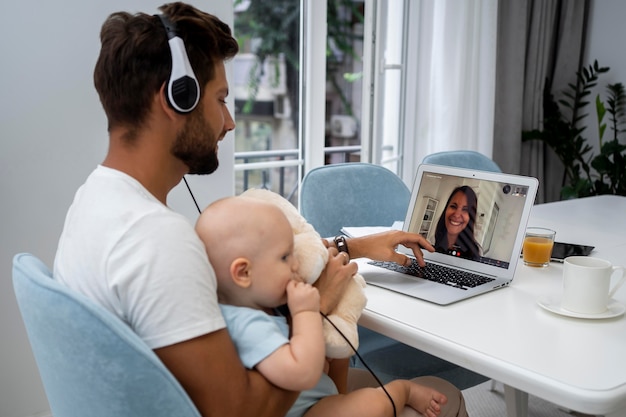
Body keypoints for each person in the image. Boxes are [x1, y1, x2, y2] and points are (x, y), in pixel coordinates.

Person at [53, 2, 468, 416]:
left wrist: (350, 247)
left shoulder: (96, 202)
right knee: (440, 394)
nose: (230, 123)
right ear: (178, 99)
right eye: (220, 99)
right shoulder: (156, 240)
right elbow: (245, 411)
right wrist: (315, 310)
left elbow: (247, 268)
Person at [196, 196, 449, 417]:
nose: (296, 265)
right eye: (285, 257)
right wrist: (307, 311)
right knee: (373, 405)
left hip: (315, 399)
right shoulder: (248, 325)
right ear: (243, 273)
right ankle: (403, 390)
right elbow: (303, 373)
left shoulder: (261, 305)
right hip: (304, 410)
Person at [433, 186, 481, 260]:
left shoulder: (474, 254)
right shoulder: (430, 242)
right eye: (453, 206)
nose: (457, 215)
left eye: (465, 209)